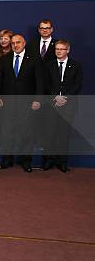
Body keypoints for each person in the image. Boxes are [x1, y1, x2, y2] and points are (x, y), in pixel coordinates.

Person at [0, 34, 44, 173]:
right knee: (6, 132)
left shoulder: (34, 59)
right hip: (8, 103)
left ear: (24, 43)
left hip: (27, 103)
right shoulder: (5, 58)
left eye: (18, 42)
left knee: (26, 133)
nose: (15, 45)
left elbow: (40, 82)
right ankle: (6, 160)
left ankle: (26, 161)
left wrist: (38, 99)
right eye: (13, 43)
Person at [43, 39, 82, 173]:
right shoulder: (49, 65)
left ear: (68, 50)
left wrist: (65, 98)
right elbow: (46, 84)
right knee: (49, 134)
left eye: (61, 49)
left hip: (68, 105)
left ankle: (62, 163)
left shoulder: (76, 65)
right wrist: (55, 97)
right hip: (52, 104)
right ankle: (48, 161)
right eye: (57, 49)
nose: (59, 51)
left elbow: (77, 85)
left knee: (63, 136)